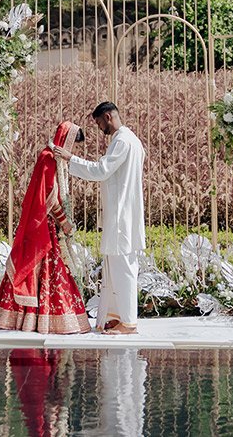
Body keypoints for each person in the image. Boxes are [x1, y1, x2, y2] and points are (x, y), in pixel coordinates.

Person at [0, 121, 90, 335]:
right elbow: (48, 198)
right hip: (44, 227)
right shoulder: (49, 158)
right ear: (65, 141)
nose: (73, 151)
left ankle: (29, 319)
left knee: (47, 272)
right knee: (47, 270)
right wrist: (65, 222)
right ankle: (39, 321)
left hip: (45, 224)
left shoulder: (53, 158)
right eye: (73, 145)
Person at [54, 101, 145, 335]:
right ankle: (117, 317)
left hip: (121, 214)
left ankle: (129, 322)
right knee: (114, 267)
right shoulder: (131, 140)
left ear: (107, 117)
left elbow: (100, 171)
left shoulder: (123, 141)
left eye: (98, 123)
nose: (99, 128)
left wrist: (70, 158)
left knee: (123, 267)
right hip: (122, 212)